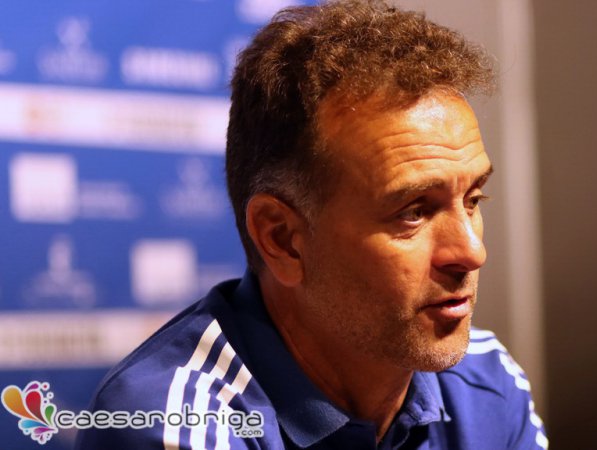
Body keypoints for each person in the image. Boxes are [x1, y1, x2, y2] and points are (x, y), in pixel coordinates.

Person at [76, 1, 547, 448]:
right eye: (413, 212)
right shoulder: (178, 424)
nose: (471, 252)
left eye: (473, 199)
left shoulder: (486, 380)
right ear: (282, 239)